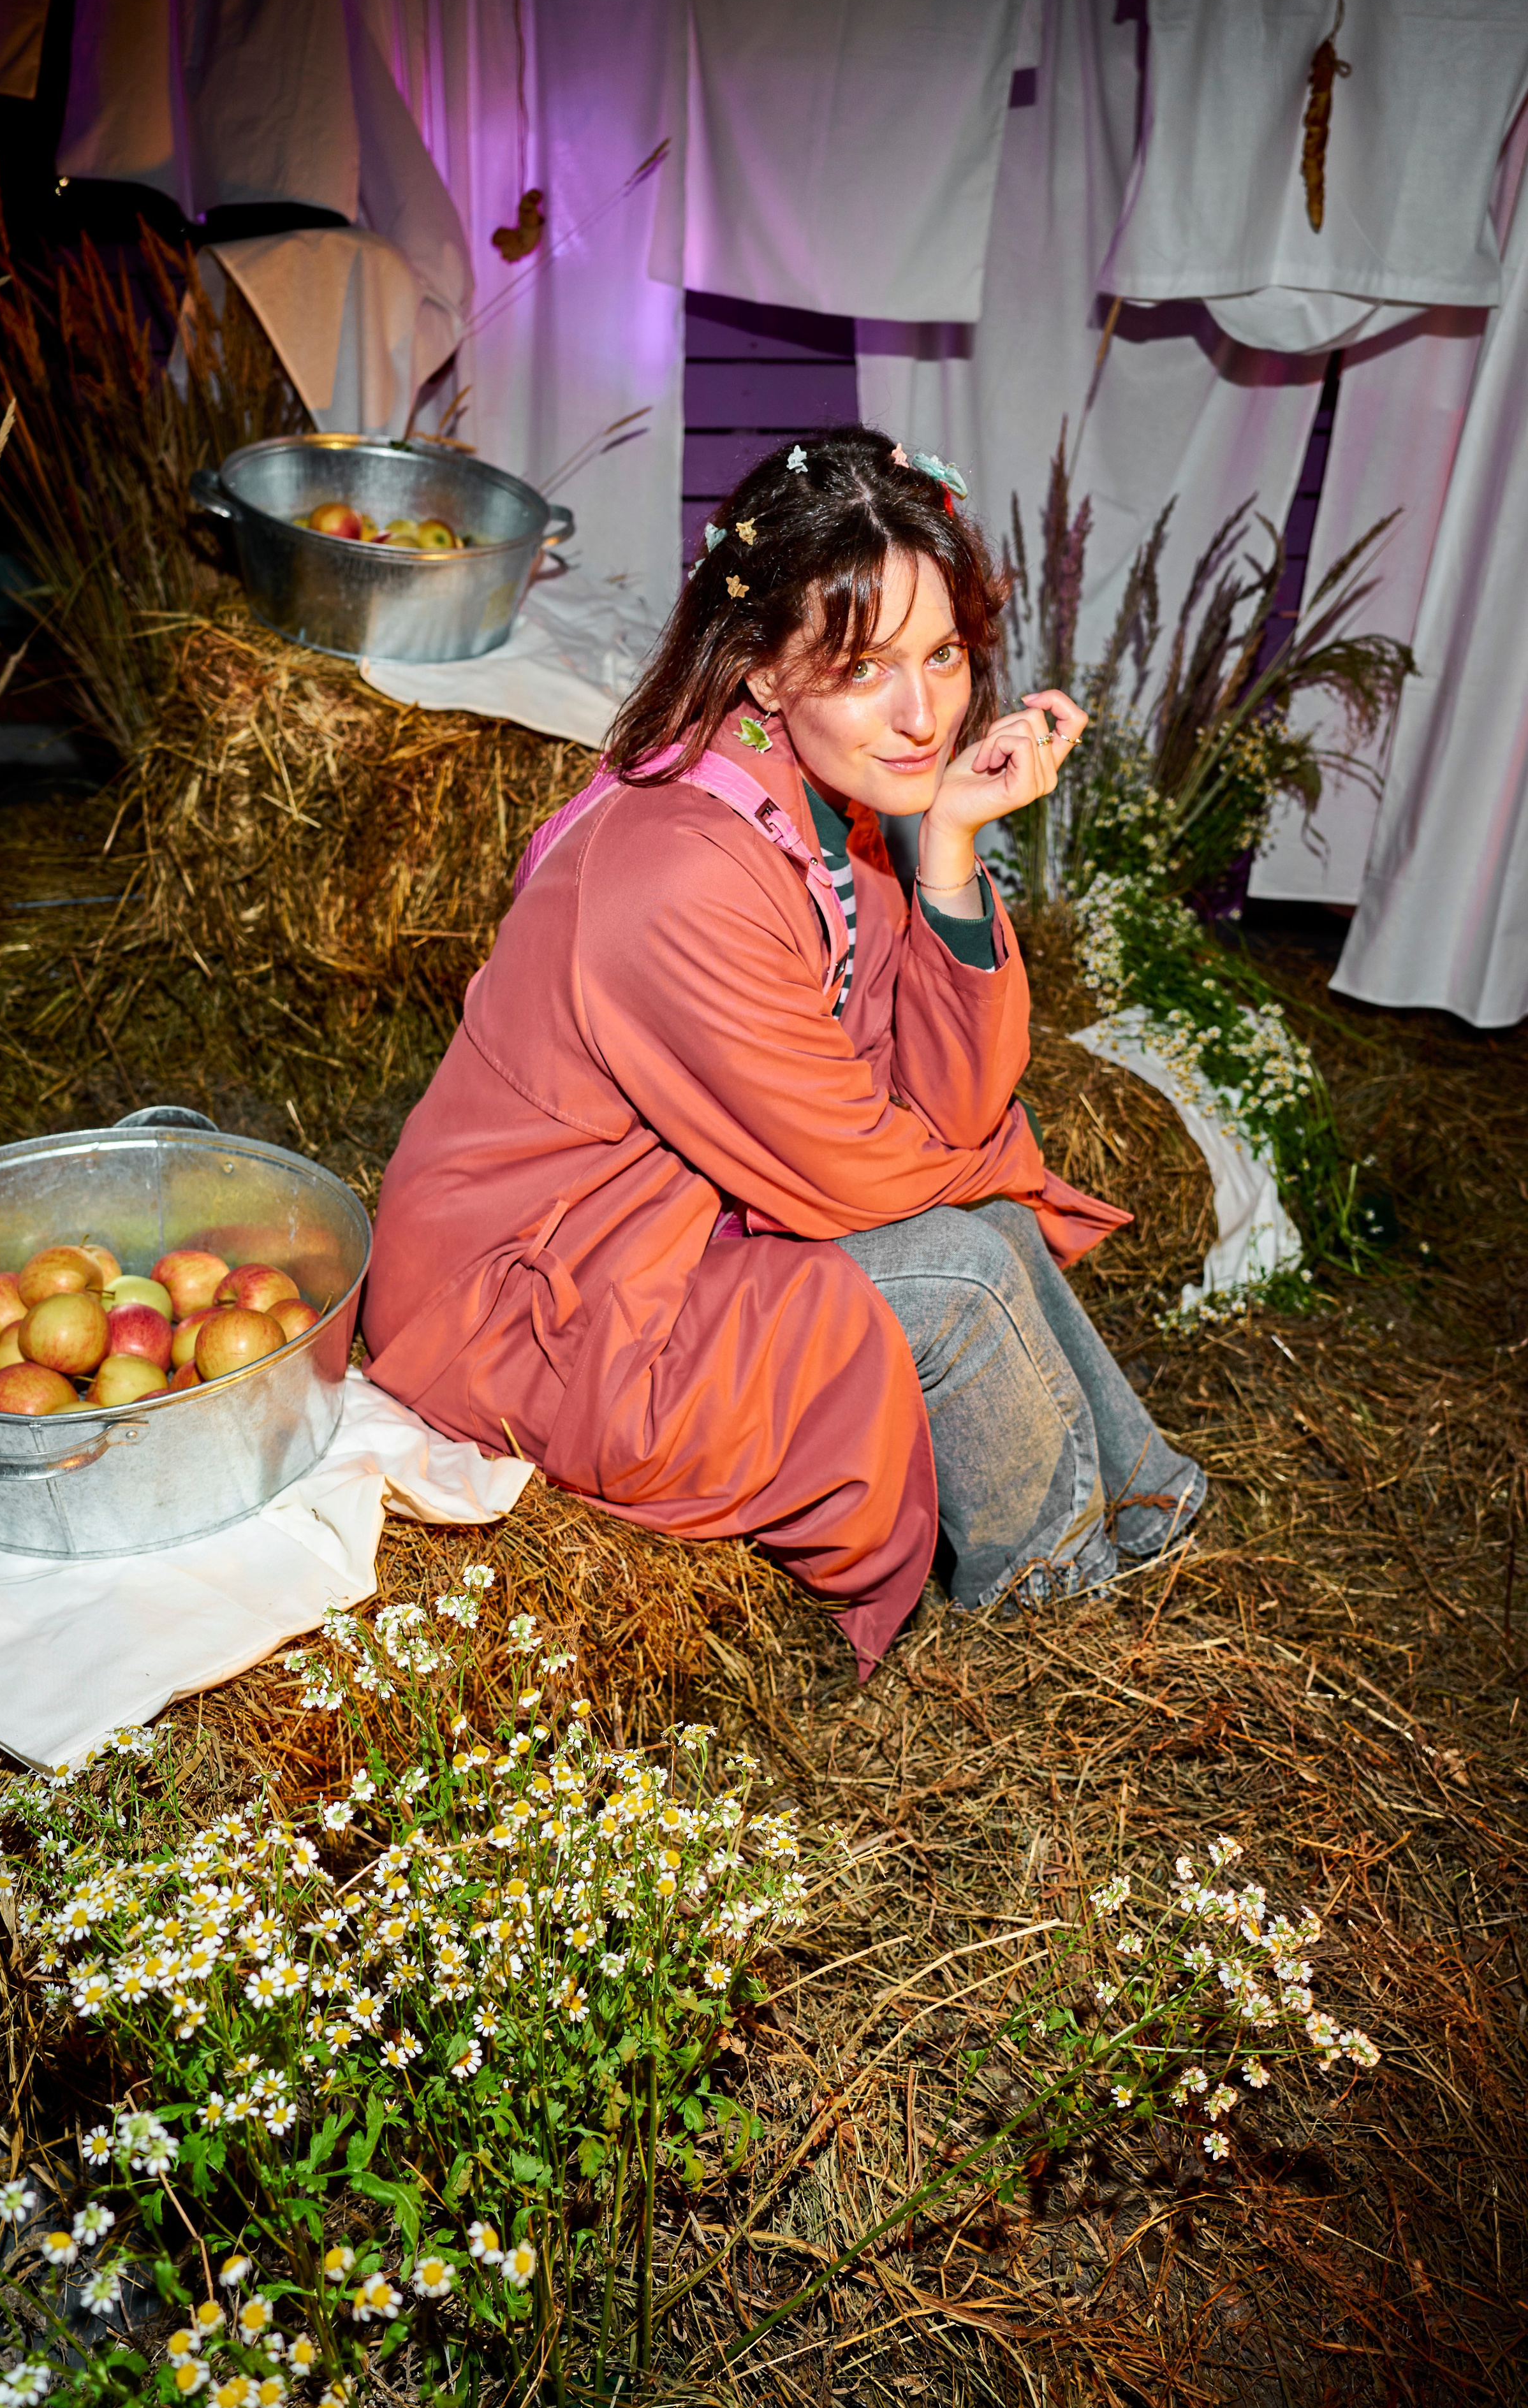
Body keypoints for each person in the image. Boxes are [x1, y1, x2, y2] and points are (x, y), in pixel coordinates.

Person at [364, 427, 1204, 1677]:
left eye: (943, 655)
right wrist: (984, 1165)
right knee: (964, 1273)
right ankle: (1056, 1634)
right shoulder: (675, 875)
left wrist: (949, 851)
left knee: (988, 1225)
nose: (923, 716)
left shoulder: (842, 807)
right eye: (864, 668)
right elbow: (866, 1171)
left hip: (666, 1235)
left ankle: (1149, 1516)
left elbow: (949, 1105)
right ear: (761, 668)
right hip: (542, 1302)